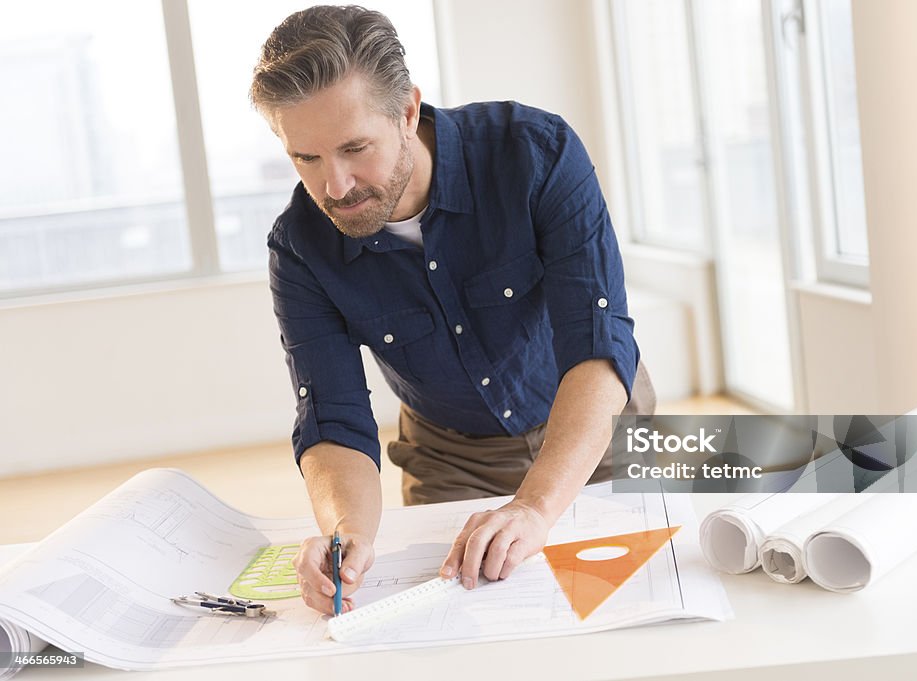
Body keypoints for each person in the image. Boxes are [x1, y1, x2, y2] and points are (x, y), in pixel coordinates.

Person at [250, 5, 655, 616]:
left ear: (408, 110)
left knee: (634, 610)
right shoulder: (301, 246)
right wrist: (344, 532)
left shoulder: (535, 152)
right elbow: (331, 414)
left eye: (355, 148)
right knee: (469, 620)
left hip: (598, 427)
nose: (335, 186)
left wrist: (535, 506)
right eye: (306, 158)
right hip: (452, 455)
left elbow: (598, 343)